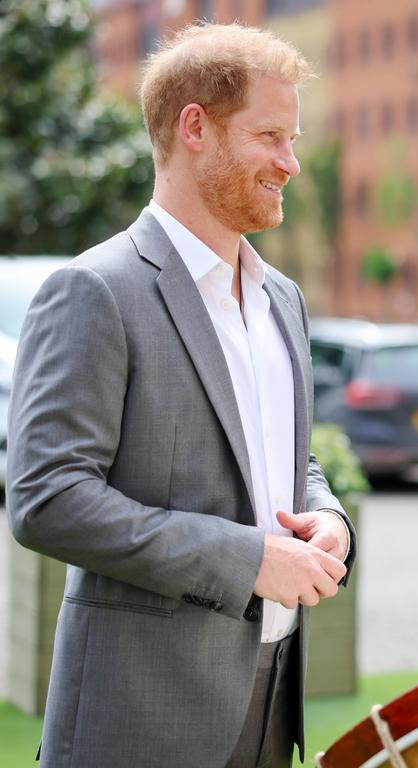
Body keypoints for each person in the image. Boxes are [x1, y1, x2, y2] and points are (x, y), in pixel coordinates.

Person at [7, 23, 356, 768]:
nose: (291, 163)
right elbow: (48, 498)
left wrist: (326, 518)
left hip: (271, 708)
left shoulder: (282, 299)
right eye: (270, 135)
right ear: (195, 126)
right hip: (140, 720)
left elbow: (286, 461)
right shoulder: (94, 291)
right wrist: (245, 560)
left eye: (292, 139)